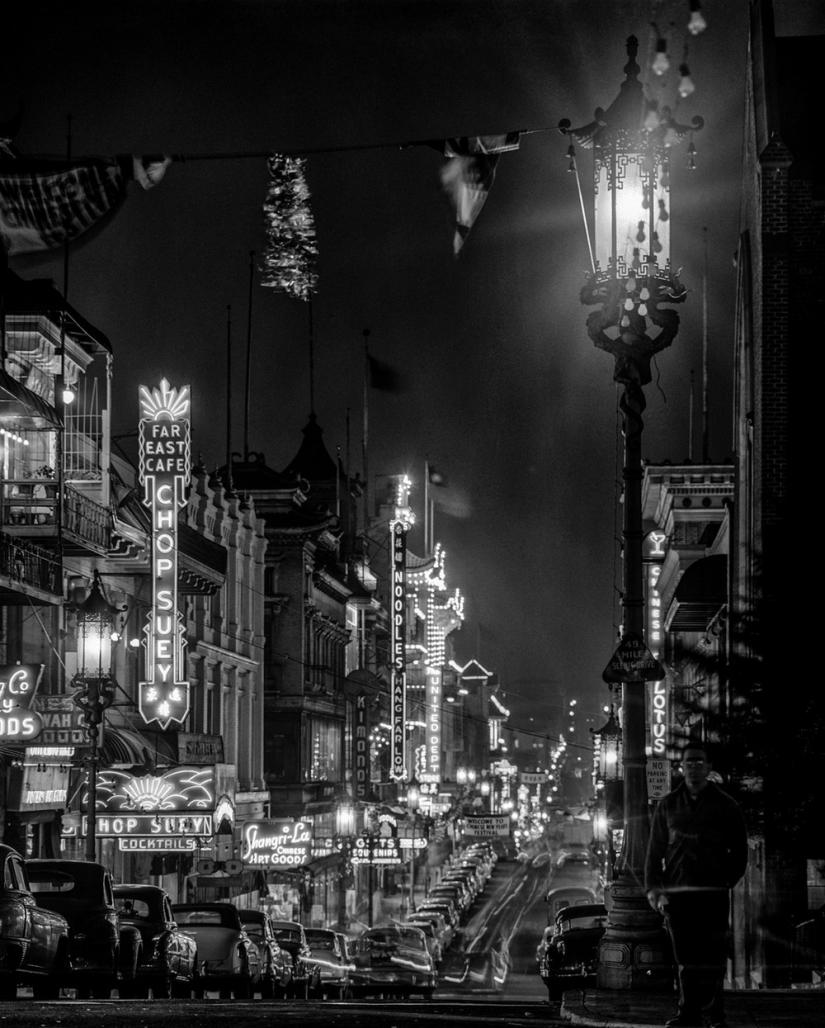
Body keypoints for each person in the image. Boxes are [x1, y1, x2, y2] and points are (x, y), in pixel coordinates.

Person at [645, 742, 748, 1028]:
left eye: (699, 761)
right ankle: (688, 1013)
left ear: (708, 766)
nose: (693, 766)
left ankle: (715, 1016)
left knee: (713, 958)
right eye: (688, 761)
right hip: (677, 896)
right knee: (685, 960)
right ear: (681, 766)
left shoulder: (726, 806)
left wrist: (727, 880)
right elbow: (654, 852)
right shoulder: (668, 805)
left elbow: (740, 852)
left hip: (713, 894)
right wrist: (653, 889)